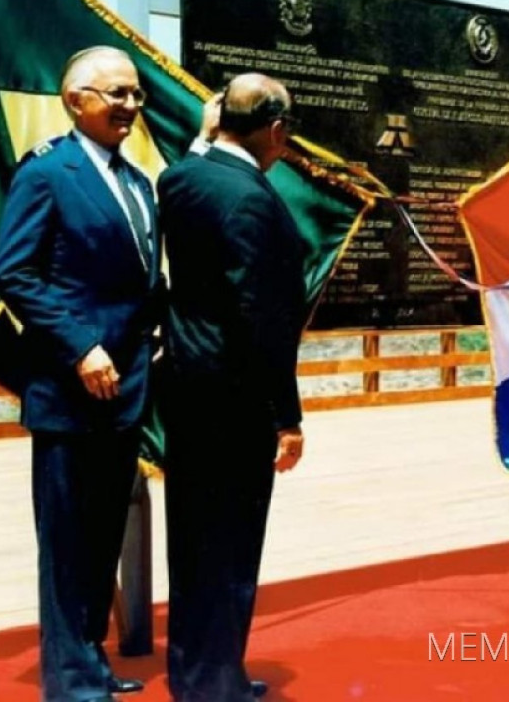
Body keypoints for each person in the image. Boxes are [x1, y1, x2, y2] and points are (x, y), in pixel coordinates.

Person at [0, 46, 160, 701]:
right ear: (74, 100)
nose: (129, 106)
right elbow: (16, 274)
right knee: (66, 544)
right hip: (71, 389)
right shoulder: (46, 174)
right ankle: (68, 681)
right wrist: (81, 347)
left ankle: (90, 663)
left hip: (127, 390)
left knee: (98, 541)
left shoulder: (138, 183)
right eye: (115, 93)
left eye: (136, 94)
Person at [159, 73, 307, 702]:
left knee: (192, 540)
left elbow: (188, 168)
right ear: (275, 130)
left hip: (187, 389)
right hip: (236, 399)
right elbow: (258, 318)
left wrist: (203, 137)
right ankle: (215, 684)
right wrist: (286, 414)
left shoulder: (180, 178)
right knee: (230, 547)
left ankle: (193, 672)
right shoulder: (250, 198)